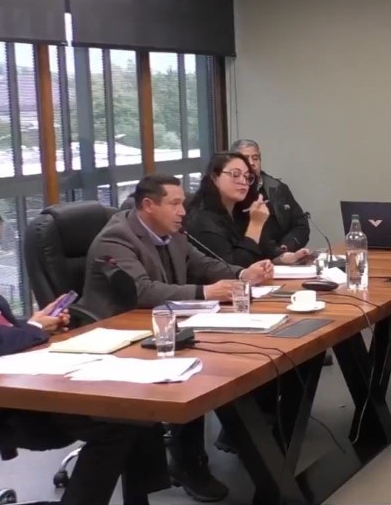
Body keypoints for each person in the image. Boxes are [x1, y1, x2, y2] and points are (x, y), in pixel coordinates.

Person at [0, 195, 170, 505]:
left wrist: (34, 324)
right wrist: (35, 329)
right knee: (115, 422)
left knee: (134, 405)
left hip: (9, 372)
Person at [78, 174, 274, 503]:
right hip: (121, 336)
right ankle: (187, 461)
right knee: (193, 371)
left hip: (164, 325)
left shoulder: (173, 233)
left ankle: (216, 448)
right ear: (148, 205)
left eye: (183, 202)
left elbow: (203, 264)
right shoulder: (116, 239)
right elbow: (142, 291)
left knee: (222, 358)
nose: (183, 211)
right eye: (175, 203)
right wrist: (205, 293)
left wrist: (242, 274)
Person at [184, 152, 310, 266]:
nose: (243, 181)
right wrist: (255, 224)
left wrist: (288, 258)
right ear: (214, 177)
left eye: (248, 177)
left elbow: (266, 252)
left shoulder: (240, 212)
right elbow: (235, 268)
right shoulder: (201, 219)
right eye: (235, 174)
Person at [230, 139, 311, 254]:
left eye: (255, 158)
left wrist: (286, 247)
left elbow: (301, 226)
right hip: (251, 257)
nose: (252, 163)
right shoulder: (232, 193)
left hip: (284, 254)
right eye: (246, 158)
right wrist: (274, 254)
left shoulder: (278, 188)